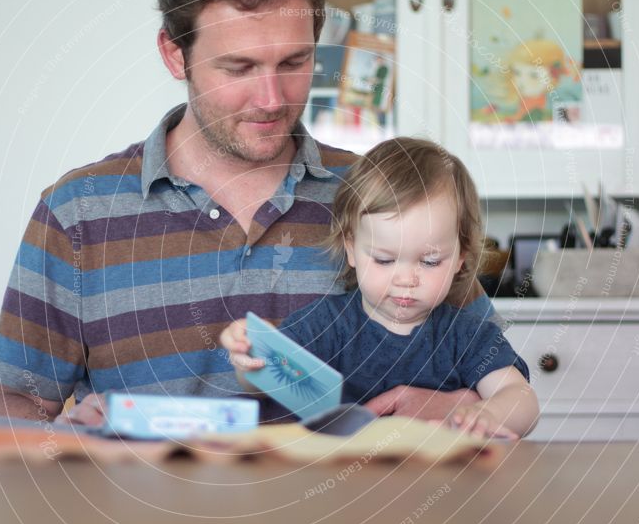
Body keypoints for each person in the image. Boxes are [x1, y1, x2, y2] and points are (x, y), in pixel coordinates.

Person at [0, 0, 495, 426]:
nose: (271, 99)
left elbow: (492, 379)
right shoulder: (78, 212)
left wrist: (459, 407)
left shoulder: (383, 196)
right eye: (239, 67)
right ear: (174, 54)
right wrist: (61, 445)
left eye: (294, 63)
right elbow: (17, 408)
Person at [221, 138, 539, 438]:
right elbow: (263, 380)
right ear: (351, 249)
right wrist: (248, 356)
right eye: (385, 260)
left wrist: (490, 413)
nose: (406, 279)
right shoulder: (325, 325)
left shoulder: (467, 337)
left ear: (460, 257)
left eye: (430, 262)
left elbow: (521, 398)